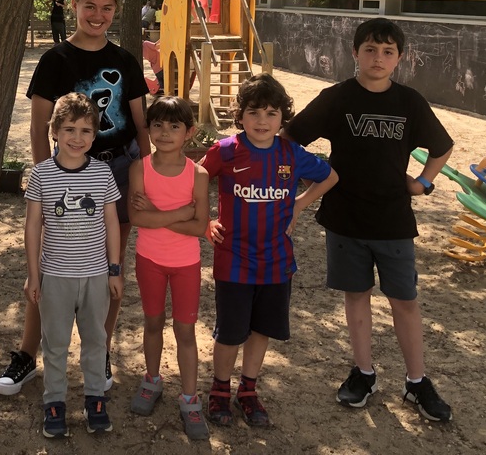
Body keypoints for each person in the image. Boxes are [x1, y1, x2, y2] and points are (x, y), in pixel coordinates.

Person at [286, 18, 455, 422]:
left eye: (387, 51)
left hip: (393, 221)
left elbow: (443, 146)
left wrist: (423, 183)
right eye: (370, 49)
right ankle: (364, 373)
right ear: (355, 52)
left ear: (400, 57)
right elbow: (290, 139)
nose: (378, 58)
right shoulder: (336, 98)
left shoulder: (410, 102)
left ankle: (417, 382)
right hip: (344, 219)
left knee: (405, 301)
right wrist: (315, 181)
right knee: (356, 297)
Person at [0, 0, 148, 397]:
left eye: (107, 8)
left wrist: (144, 175)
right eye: (90, 6)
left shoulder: (125, 60)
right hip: (64, 174)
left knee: (111, 264)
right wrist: (46, 180)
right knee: (51, 265)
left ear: (116, 10)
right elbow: (37, 127)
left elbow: (140, 125)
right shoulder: (55, 60)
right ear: (74, 5)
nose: (98, 15)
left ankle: (100, 351)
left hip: (117, 170)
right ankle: (28, 354)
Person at [202, 74, 337, 427]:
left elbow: (330, 176)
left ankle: (248, 390)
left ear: (282, 118)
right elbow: (195, 181)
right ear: (240, 116)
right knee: (230, 332)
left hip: (276, 262)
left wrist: (298, 204)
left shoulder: (291, 154)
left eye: (271, 113)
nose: (262, 121)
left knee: (261, 329)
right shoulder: (225, 151)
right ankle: (219, 390)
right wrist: (204, 222)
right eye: (254, 112)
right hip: (233, 261)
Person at [24, 92, 122, 437]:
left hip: (96, 276)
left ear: (94, 135)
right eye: (69, 129)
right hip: (55, 276)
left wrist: (114, 269)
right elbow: (33, 226)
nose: (77, 138)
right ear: (54, 131)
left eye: (85, 131)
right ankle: (54, 403)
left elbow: (112, 223)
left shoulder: (102, 173)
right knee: (55, 344)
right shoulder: (42, 174)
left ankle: (95, 400)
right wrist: (34, 274)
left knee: (96, 340)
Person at [126, 96, 210, 439]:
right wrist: (179, 213)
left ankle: (189, 399)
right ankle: (151, 380)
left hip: (186, 264)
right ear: (149, 129)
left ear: (189, 132)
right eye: (157, 124)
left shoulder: (198, 174)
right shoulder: (139, 168)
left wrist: (156, 214)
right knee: (153, 323)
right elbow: (136, 218)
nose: (164, 132)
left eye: (174, 126)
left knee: (185, 331)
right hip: (149, 260)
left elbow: (199, 227)